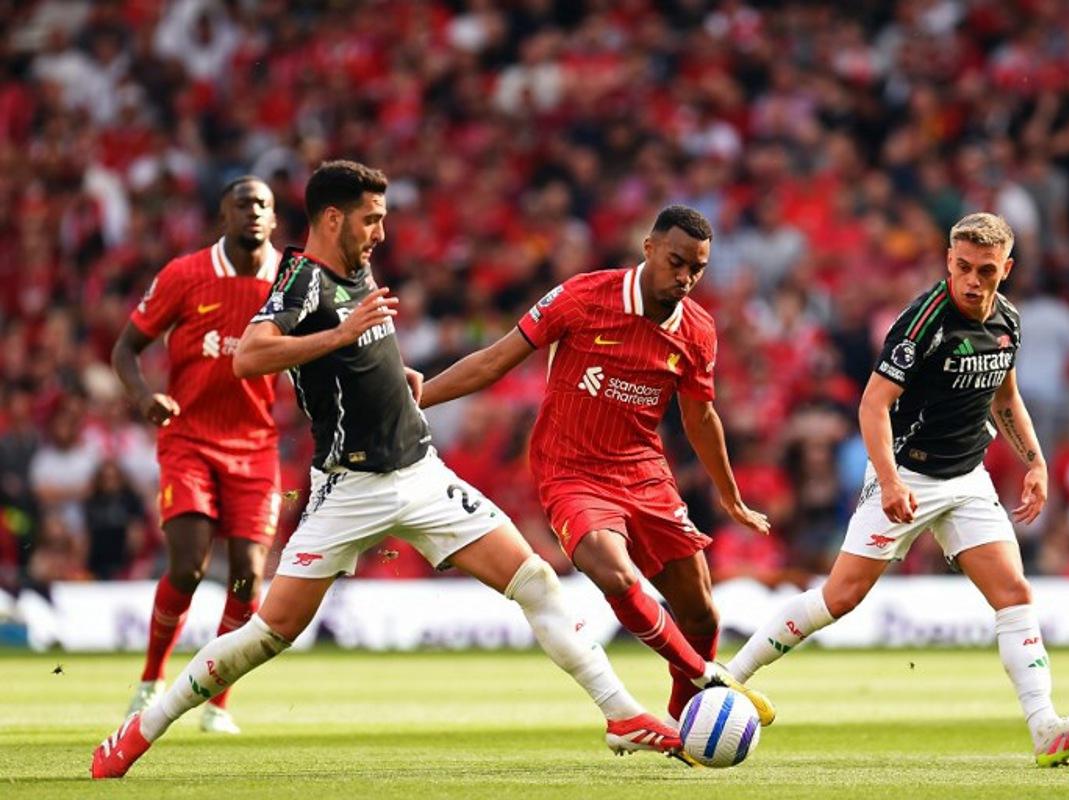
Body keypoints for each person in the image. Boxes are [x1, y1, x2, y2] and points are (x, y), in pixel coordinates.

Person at [91, 160, 678, 779]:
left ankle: (620, 712)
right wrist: (342, 335)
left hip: (422, 472)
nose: (380, 232)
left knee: (535, 581)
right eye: (371, 219)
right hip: (351, 486)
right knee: (270, 633)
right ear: (334, 218)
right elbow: (254, 356)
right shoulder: (300, 277)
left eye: (384, 219)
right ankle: (141, 729)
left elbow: (355, 354)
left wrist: (392, 379)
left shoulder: (355, 267)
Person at [722, 213, 1069, 768]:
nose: (972, 281)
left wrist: (1035, 461)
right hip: (908, 472)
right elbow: (872, 405)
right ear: (948, 261)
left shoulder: (1008, 321)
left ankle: (1045, 727)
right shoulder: (923, 321)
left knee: (1015, 596)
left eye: (985, 270)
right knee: (841, 597)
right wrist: (886, 481)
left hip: (968, 477)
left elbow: (1004, 398)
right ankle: (729, 676)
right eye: (961, 267)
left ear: (1007, 268)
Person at [419, 205, 774, 727]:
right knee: (613, 571)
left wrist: (730, 495)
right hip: (571, 470)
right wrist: (414, 401)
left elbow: (700, 417)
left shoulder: (697, 330)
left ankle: (686, 712)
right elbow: (495, 360)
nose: (685, 278)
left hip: (643, 472)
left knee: (700, 610)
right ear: (648, 248)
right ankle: (704, 675)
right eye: (676, 262)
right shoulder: (582, 297)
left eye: (696, 270)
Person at [110, 176, 282, 734]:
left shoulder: (292, 281)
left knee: (247, 580)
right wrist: (143, 397)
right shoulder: (185, 274)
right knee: (187, 565)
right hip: (188, 439)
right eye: (243, 204)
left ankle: (218, 702)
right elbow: (126, 347)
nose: (253, 212)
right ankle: (151, 679)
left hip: (256, 447)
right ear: (223, 215)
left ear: (275, 219)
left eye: (263, 205)